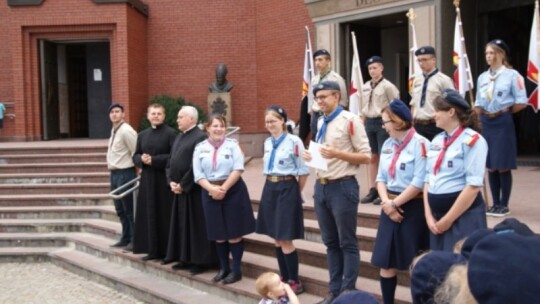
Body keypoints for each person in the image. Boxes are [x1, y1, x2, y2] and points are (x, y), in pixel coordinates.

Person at [302, 81, 371, 304]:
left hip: (343, 186)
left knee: (347, 242)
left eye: (323, 97)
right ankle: (334, 290)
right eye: (317, 98)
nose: (319, 101)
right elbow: (324, 154)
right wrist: (311, 156)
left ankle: (348, 292)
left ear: (336, 96)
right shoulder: (321, 120)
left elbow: (366, 156)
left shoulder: (350, 120)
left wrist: (337, 154)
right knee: (330, 242)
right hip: (321, 186)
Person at [371, 99, 429, 304]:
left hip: (412, 207)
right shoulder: (387, 144)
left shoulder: (421, 144)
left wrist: (395, 205)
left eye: (385, 121)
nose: (383, 126)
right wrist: (387, 203)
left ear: (397, 121)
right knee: (386, 263)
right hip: (389, 205)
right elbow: (380, 178)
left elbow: (419, 182)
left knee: (416, 262)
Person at [193, 113, 255, 284]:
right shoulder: (199, 148)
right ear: (207, 128)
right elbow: (198, 174)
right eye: (215, 126)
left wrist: (224, 188)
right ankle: (223, 268)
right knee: (218, 233)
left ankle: (236, 270)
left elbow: (238, 168)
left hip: (233, 190)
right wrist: (212, 189)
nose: (219, 129)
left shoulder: (233, 145)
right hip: (209, 191)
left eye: (221, 126)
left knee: (234, 233)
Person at [424, 89, 488, 251]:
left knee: (461, 269)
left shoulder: (473, 141)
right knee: (439, 269)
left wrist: (448, 220)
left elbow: (473, 186)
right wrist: (428, 215)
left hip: (463, 217)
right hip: (437, 219)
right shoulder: (437, 140)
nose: (434, 115)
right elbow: (428, 179)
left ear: (451, 112)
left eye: (438, 110)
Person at [256, 106, 309, 294]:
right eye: (268, 121)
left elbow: (303, 171)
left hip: (287, 187)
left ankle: (294, 280)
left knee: (285, 238)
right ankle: (284, 277)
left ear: (283, 121)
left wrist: (295, 192)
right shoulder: (268, 142)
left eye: (274, 120)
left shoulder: (294, 141)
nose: (270, 124)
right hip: (270, 186)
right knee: (276, 238)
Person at [474, 39, 528, 217]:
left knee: (502, 163)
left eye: (492, 53)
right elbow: (478, 102)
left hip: (502, 120)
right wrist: (479, 117)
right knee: (490, 164)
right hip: (486, 121)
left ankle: (504, 204)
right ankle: (495, 203)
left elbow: (521, 101)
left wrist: (505, 111)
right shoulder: (483, 77)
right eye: (487, 53)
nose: (489, 56)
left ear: (501, 54)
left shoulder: (513, 76)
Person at [164, 106, 217, 274]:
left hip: (193, 190)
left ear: (192, 119)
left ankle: (200, 261)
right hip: (178, 189)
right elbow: (170, 162)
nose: (177, 120)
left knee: (195, 227)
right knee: (182, 225)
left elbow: (197, 166)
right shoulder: (179, 137)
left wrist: (183, 184)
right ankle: (185, 257)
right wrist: (171, 181)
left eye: (181, 117)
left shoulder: (200, 137)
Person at [132, 103, 177, 261]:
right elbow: (135, 155)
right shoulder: (142, 135)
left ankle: (167, 252)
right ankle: (152, 250)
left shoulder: (171, 133)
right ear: (148, 116)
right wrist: (142, 160)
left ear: (164, 116)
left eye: (159, 113)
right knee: (149, 214)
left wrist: (154, 160)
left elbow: (174, 157)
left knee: (164, 215)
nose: (156, 116)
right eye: (153, 113)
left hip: (163, 180)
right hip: (147, 181)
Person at [359, 56, 400, 205]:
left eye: (375, 68)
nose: (372, 71)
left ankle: (386, 188)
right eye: (370, 68)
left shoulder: (388, 86)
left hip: (382, 122)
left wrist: (391, 123)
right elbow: (364, 106)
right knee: (372, 157)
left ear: (381, 68)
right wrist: (362, 122)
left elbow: (395, 105)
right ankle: (373, 188)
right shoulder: (365, 86)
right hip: (369, 122)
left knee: (385, 156)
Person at [106, 102, 137, 249]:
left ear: (123, 114)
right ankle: (125, 237)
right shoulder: (114, 130)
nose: (114, 114)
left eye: (117, 111)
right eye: (112, 112)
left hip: (125, 173)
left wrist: (139, 169)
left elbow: (135, 150)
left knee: (129, 209)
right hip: (114, 173)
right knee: (120, 209)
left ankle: (134, 239)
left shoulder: (126, 130)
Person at [410, 46, 455, 141]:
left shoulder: (444, 80)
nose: (421, 63)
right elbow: (414, 103)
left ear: (433, 60)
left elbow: (451, 103)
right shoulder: (416, 80)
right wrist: (411, 122)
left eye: (425, 60)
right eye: (419, 60)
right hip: (418, 125)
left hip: (435, 125)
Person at [307, 49, 348, 141]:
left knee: (329, 140)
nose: (317, 62)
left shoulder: (336, 79)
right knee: (315, 141)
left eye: (320, 60)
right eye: (316, 60)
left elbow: (343, 101)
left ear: (328, 61)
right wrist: (312, 115)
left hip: (330, 114)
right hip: (316, 115)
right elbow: (311, 99)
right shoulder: (314, 80)